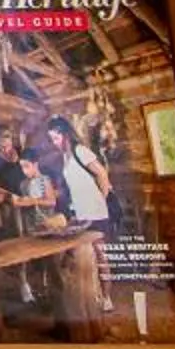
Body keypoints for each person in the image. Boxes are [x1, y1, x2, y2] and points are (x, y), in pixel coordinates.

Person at [46, 114, 115, 320]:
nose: (54, 142)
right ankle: (88, 297)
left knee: (101, 255)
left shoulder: (80, 151)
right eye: (51, 139)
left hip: (97, 214)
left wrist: (100, 200)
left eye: (56, 138)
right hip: (82, 213)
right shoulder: (66, 157)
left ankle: (107, 297)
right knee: (82, 255)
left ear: (65, 134)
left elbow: (102, 174)